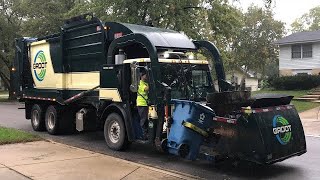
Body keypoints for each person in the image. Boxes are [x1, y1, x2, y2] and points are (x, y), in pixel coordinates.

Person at [136, 70, 149, 140]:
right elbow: (146, 89)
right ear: (142, 76)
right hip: (141, 104)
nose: (146, 76)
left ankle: (146, 133)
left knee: (146, 119)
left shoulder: (145, 83)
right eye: (145, 75)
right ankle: (143, 135)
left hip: (146, 103)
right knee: (143, 119)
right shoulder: (140, 83)